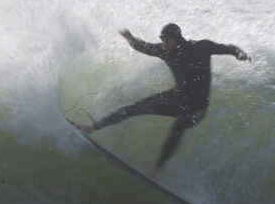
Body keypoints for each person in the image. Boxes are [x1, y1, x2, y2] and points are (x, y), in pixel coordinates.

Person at [81, 23, 249, 175]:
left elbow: (226, 48)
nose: (164, 44)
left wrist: (239, 53)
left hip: (197, 107)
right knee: (135, 108)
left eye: (167, 40)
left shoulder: (200, 47)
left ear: (177, 39)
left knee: (179, 125)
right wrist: (130, 38)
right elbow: (143, 46)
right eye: (162, 40)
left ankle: (157, 167)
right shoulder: (164, 51)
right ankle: (93, 127)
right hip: (177, 97)